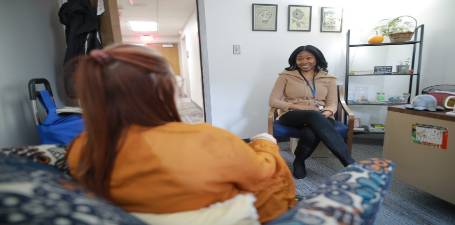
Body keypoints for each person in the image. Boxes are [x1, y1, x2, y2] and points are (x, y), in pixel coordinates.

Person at [66, 44, 296, 223]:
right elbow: (261, 175)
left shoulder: (81, 147)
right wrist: (264, 143)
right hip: (225, 215)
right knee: (270, 165)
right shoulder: (207, 139)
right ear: (163, 88)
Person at [269, 45, 355, 179]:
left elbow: (332, 103)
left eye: (309, 58)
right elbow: (273, 101)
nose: (304, 62)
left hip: (320, 114)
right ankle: (350, 163)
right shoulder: (285, 75)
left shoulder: (329, 78)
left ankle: (299, 161)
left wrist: (327, 113)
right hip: (292, 114)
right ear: (295, 60)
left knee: (310, 130)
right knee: (313, 115)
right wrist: (296, 106)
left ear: (317, 59)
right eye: (300, 59)